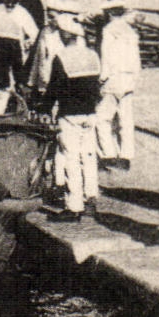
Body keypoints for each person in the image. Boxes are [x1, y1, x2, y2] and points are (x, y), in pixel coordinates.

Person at [40, 14, 103, 222]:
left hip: (69, 114)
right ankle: (91, 199)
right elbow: (97, 85)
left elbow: (54, 88)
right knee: (89, 157)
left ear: (66, 35)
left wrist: (44, 109)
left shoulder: (62, 57)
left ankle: (74, 206)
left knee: (71, 158)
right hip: (90, 113)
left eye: (61, 32)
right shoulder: (93, 55)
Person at [95, 0, 139, 170]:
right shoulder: (130, 31)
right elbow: (136, 59)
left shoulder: (108, 30)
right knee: (126, 119)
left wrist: (102, 78)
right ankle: (126, 156)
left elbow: (106, 56)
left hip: (113, 79)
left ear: (110, 13)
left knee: (103, 118)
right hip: (128, 78)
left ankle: (108, 154)